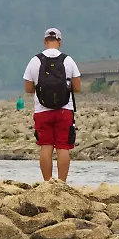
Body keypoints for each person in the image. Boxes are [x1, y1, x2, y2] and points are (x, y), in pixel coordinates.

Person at [22, 27, 81, 182]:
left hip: (42, 110)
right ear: (60, 42)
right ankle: (61, 183)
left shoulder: (35, 60)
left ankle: (47, 183)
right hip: (65, 110)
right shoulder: (68, 60)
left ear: (45, 41)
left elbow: (28, 88)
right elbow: (77, 87)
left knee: (46, 146)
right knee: (63, 147)